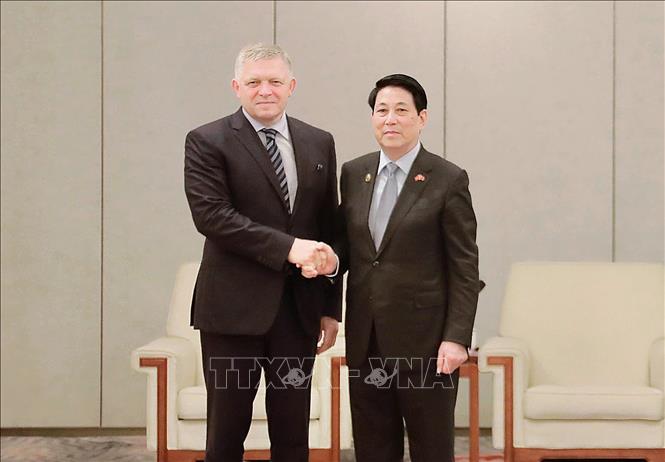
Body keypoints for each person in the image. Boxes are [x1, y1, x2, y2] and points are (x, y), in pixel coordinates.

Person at [183, 43, 340, 462]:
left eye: (274, 81)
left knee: (293, 436)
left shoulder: (319, 142)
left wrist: (330, 308)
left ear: (292, 86)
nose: (265, 90)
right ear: (236, 87)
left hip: (298, 312)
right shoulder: (207, 140)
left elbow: (328, 228)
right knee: (226, 435)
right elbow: (213, 217)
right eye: (253, 82)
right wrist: (290, 249)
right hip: (231, 313)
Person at [324, 74, 480, 462]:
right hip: (367, 340)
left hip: (426, 346)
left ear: (422, 118)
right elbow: (349, 247)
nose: (390, 119)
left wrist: (457, 337)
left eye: (401, 110)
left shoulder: (448, 178)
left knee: (432, 450)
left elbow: (464, 266)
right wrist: (329, 261)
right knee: (373, 450)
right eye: (381, 111)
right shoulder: (354, 173)